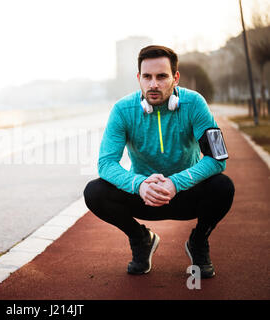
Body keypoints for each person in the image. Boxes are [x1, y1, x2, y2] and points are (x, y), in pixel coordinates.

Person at [83, 45, 235, 278]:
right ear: (139, 78)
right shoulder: (123, 110)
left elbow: (218, 158)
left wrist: (175, 183)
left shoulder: (195, 103)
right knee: (94, 191)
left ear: (175, 78)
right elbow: (106, 164)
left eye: (162, 76)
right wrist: (139, 184)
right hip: (145, 196)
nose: (153, 84)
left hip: (187, 193)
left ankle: (198, 241)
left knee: (223, 187)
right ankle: (141, 238)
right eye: (147, 77)